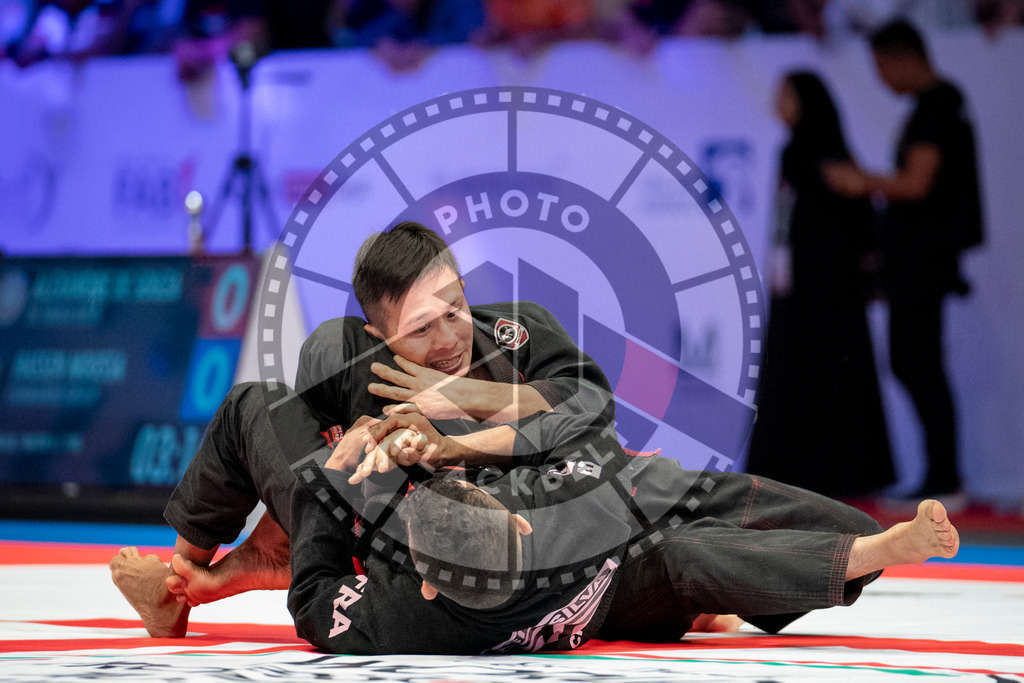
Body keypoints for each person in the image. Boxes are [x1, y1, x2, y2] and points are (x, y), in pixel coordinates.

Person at [111, 221, 960, 650]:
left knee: (667, 497)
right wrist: (364, 449)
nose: (446, 332)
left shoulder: (517, 330)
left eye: (454, 305)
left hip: (535, 500)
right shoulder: (354, 368)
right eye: (422, 327)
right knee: (263, 414)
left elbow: (590, 413)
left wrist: (470, 413)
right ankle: (188, 570)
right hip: (404, 521)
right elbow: (314, 457)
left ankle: (859, 550)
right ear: (380, 336)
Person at [825, 19, 983, 501]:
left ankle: (945, 478)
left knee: (918, 362)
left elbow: (916, 184)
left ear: (903, 57)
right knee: (916, 362)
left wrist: (862, 181)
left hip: (923, 261)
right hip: (919, 260)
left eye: (879, 67)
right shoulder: (937, 105)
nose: (881, 80)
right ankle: (942, 475)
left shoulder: (937, 106)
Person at [746, 71, 894, 498]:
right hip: (800, 288)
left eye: (786, 95)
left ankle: (839, 472)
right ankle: (796, 471)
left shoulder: (821, 154)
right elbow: (785, 221)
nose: (778, 103)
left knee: (832, 375)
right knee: (798, 374)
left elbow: (856, 205)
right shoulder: (794, 153)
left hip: (830, 289)